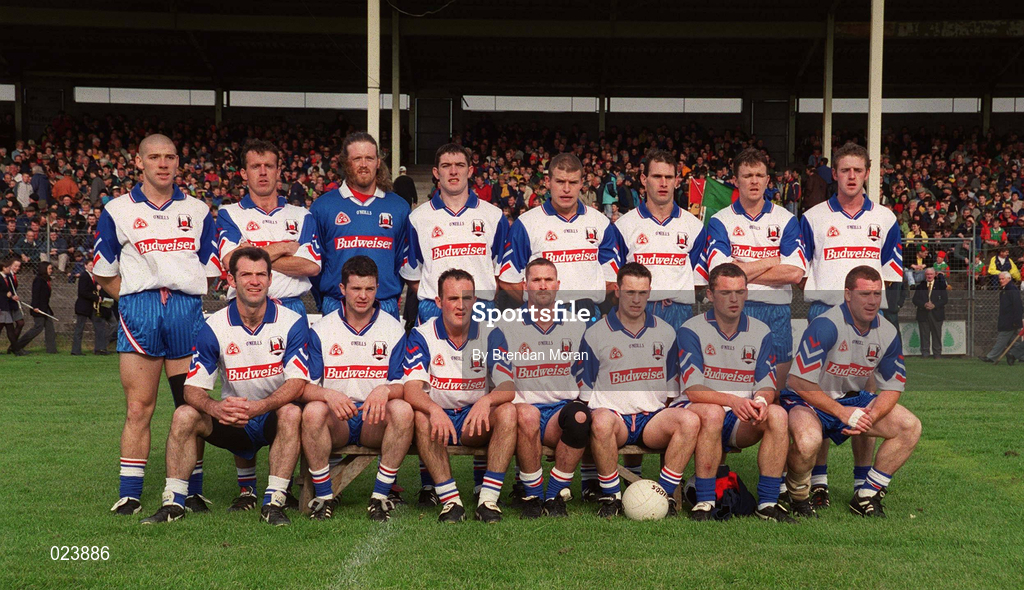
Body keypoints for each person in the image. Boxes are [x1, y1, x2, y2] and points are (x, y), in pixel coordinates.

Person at [93, 133, 221, 516]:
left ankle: (191, 490)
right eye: (154, 157)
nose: (162, 164)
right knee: (139, 407)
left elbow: (210, 271)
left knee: (190, 407)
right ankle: (130, 493)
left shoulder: (198, 210)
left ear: (179, 163)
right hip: (141, 311)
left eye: (169, 157)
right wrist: (134, 299)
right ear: (140, 162)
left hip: (186, 309)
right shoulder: (117, 209)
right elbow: (104, 272)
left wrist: (181, 294)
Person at [139, 248, 309, 525]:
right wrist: (214, 407)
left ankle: (274, 502)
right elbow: (192, 389)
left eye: (261, 275)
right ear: (232, 280)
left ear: (269, 279)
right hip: (233, 419)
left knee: (292, 412)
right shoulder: (213, 326)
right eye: (246, 274)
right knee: (184, 413)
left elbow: (297, 382)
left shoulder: (291, 322)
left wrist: (262, 406)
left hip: (271, 415)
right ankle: (174, 502)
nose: (254, 281)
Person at [499, 153, 622, 497]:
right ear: (548, 183)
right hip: (542, 324)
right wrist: (538, 310)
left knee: (589, 402)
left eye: (573, 182)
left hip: (589, 320)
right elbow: (508, 279)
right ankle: (527, 482)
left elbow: (614, 279)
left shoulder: (600, 223)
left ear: (583, 184)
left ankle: (591, 482)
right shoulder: (527, 223)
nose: (566, 189)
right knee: (535, 399)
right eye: (559, 182)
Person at [798, 142, 902, 507]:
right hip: (825, 314)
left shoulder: (886, 219)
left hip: (870, 319)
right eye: (845, 170)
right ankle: (820, 480)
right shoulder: (813, 217)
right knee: (821, 396)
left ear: (868, 173)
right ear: (835, 174)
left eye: (858, 170)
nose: (852, 176)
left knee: (867, 397)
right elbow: (801, 270)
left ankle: (862, 479)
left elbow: (890, 273)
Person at [782, 266, 920, 518]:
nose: (872, 301)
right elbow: (799, 381)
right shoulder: (826, 325)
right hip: (806, 399)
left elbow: (893, 386)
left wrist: (873, 414)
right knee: (807, 442)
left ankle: (867, 494)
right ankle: (796, 492)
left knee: (909, 427)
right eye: (864, 294)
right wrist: (841, 412)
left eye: (877, 294)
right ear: (847, 294)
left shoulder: (887, 331)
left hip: (850, 398)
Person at [577, 262, 709, 519]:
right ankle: (611, 497)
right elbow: (585, 391)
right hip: (615, 419)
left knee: (690, 420)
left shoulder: (666, 331)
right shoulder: (595, 334)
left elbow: (672, 387)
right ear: (617, 290)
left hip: (652, 419)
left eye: (642, 293)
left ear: (650, 292)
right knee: (601, 420)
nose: (636, 300)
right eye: (629, 292)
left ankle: (664, 495)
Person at [676, 263, 794, 522]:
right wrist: (733, 400)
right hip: (699, 413)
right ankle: (705, 502)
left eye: (740, 292)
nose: (734, 299)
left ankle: (767, 504)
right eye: (726, 293)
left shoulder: (761, 330)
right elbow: (693, 390)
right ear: (709, 294)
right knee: (713, 412)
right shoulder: (691, 329)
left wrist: (761, 401)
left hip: (739, 417)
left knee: (777, 415)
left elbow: (766, 384)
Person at [401, 269, 517, 523]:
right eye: (453, 299)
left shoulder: (491, 333)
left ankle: (488, 501)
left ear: (475, 301)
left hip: (473, 421)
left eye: (467, 298)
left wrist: (486, 401)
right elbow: (411, 390)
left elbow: (508, 387)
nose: (460, 306)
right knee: (421, 416)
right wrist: (433, 410)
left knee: (508, 412)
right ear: (439, 302)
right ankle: (450, 501)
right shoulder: (422, 334)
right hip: (438, 419)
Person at [300, 256, 412, 522]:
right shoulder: (322, 329)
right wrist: (328, 394)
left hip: (373, 420)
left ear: (377, 290)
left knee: (403, 409)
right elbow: (303, 388)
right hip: (337, 420)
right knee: (313, 410)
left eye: (369, 289)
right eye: (356, 288)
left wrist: (384, 390)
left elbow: (405, 385)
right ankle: (324, 498)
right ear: (342, 289)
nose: (363, 296)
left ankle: (380, 497)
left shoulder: (393, 329)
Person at [488, 258, 590, 518]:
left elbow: (585, 377)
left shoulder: (577, 325)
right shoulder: (504, 326)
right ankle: (532, 496)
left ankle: (554, 495)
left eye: (548, 280)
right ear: (525, 285)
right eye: (536, 280)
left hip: (560, 414)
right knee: (527, 414)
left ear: (557, 285)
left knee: (580, 416)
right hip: (524, 413)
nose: (542, 285)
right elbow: (500, 378)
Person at [706, 148, 805, 395]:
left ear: (767, 180)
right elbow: (722, 276)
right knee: (730, 394)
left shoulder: (786, 219)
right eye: (747, 175)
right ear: (736, 180)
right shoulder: (720, 220)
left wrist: (741, 268)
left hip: (777, 312)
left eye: (759, 175)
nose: (754, 181)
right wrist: (772, 259)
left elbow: (794, 274)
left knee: (776, 395)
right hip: (735, 311)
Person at [402, 144, 508, 324]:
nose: (453, 171)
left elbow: (500, 270)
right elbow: (413, 275)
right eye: (446, 166)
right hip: (434, 308)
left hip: (481, 306)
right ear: (436, 172)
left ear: (470, 170)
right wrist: (440, 299)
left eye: (459, 165)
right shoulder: (418, 218)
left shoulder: (494, 216)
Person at [309, 132, 410, 320]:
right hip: (337, 304)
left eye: (369, 158)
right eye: (357, 158)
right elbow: (314, 263)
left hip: (384, 304)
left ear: (378, 162)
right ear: (346, 163)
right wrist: (325, 299)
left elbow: (401, 261)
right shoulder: (322, 207)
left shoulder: (399, 207)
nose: (364, 164)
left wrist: (390, 292)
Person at [216, 139, 321, 318]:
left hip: (291, 308)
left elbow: (311, 266)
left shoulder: (301, 215)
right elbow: (230, 262)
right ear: (244, 173)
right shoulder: (229, 213)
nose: (263, 172)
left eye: (269, 166)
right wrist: (284, 248)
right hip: (245, 309)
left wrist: (250, 254)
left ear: (278, 171)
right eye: (256, 166)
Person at [614, 149, 706, 331]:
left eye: (669, 177)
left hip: (680, 312)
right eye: (656, 176)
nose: (663, 183)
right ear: (643, 179)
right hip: (637, 310)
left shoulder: (694, 226)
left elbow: (696, 280)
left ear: (677, 180)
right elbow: (616, 278)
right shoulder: (624, 225)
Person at [979, 271, 1024, 365]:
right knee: (1013, 341)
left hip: (1010, 320)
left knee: (1002, 339)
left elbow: (1018, 305)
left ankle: (991, 357)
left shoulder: (1011, 289)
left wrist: (1016, 320)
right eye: (1000, 279)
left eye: (1003, 279)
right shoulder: (1006, 290)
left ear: (1009, 279)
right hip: (1008, 319)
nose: (1001, 281)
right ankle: (1021, 356)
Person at [12, 260, 56, 354]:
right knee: (38, 328)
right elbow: (35, 295)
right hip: (39, 308)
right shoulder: (38, 280)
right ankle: (17, 346)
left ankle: (52, 349)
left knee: (50, 328)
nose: (51, 270)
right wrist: (35, 307)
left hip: (45, 308)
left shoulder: (46, 280)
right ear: (44, 269)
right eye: (49, 268)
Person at [71, 260, 110, 356]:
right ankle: (76, 350)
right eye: (90, 265)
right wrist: (96, 297)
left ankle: (100, 348)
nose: (92, 267)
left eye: (93, 265)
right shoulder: (84, 276)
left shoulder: (94, 277)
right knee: (79, 328)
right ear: (85, 266)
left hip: (92, 307)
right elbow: (83, 292)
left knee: (100, 326)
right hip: (83, 307)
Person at [911, 268, 947, 359]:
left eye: (931, 274)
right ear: (925, 275)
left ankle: (937, 354)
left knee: (937, 335)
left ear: (935, 275)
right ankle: (925, 353)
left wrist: (934, 305)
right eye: (927, 274)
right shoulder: (920, 286)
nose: (929, 276)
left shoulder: (940, 286)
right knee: (924, 335)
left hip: (937, 313)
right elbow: (915, 299)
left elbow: (945, 299)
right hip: (923, 313)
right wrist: (924, 304)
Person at [1, 256, 24, 354]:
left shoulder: (8, 277)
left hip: (9, 304)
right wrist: (9, 296)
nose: (16, 268)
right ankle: (15, 349)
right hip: (5, 306)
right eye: (15, 266)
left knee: (12, 326)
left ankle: (14, 348)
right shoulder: (5, 277)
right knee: (9, 327)